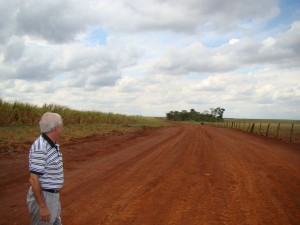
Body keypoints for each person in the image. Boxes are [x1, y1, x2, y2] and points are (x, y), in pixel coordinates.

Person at [27, 112, 64, 225]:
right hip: (45, 197)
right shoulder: (41, 147)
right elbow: (34, 179)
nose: (62, 127)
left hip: (52, 196)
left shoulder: (51, 144)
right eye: (61, 125)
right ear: (56, 128)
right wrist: (42, 207)